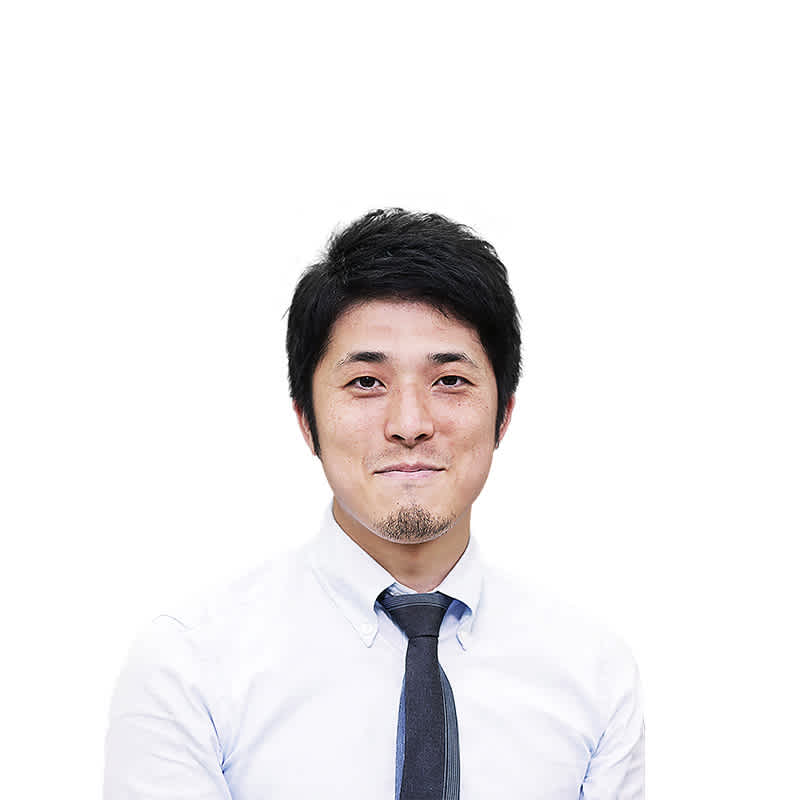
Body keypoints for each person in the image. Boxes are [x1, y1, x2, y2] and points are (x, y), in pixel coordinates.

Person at [103, 209, 645, 799]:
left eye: (450, 381)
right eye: (366, 382)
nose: (409, 424)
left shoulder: (593, 672)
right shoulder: (190, 667)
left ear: (504, 415)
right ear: (306, 420)